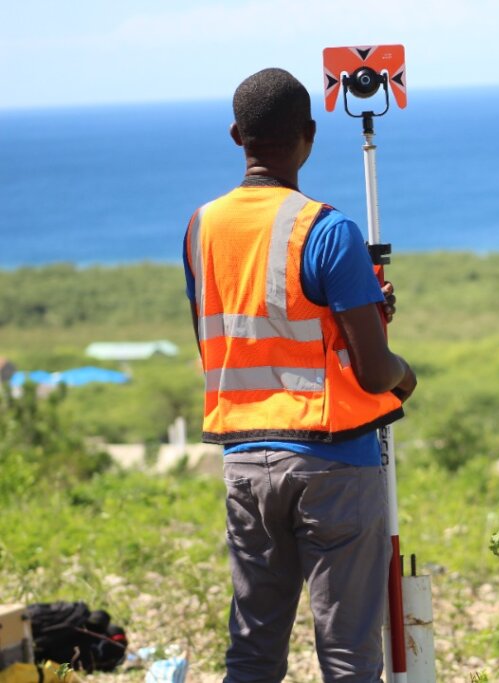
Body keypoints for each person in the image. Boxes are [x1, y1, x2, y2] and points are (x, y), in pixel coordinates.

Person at [183, 68, 417, 682]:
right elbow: (372, 374)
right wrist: (404, 375)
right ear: (309, 134)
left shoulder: (201, 229)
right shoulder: (328, 229)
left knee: (254, 651)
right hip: (334, 464)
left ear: (237, 134)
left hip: (244, 462)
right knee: (347, 656)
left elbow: (234, 337)